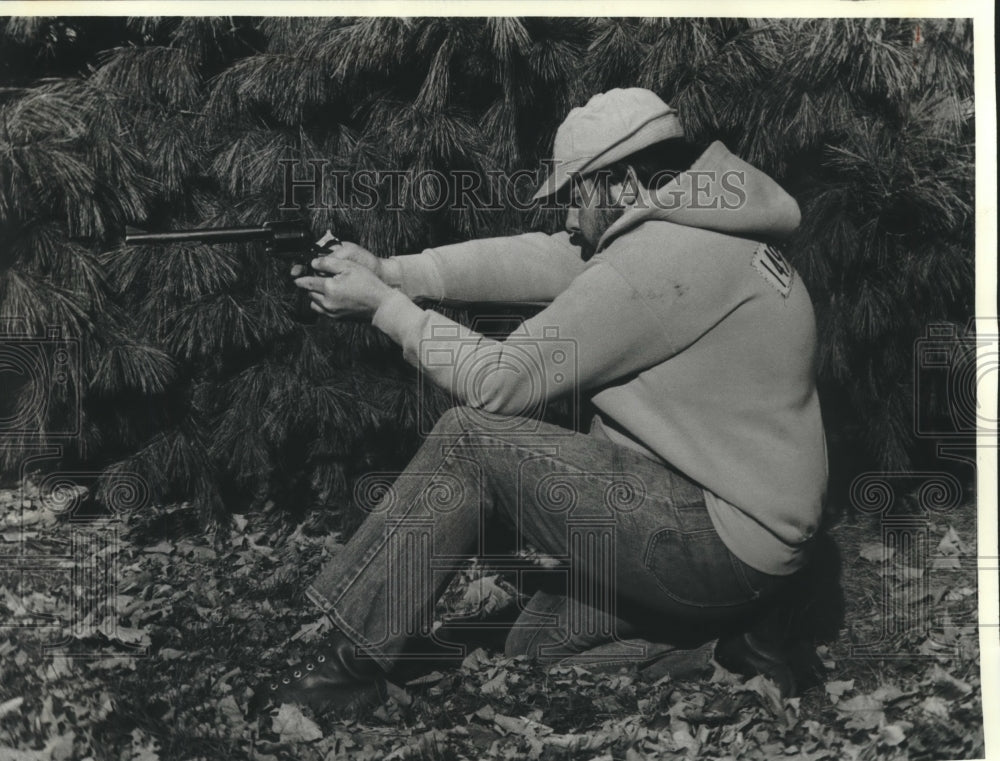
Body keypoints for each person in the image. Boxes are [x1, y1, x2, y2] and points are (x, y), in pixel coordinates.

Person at [259, 88, 828, 714]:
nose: (565, 219)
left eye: (572, 197)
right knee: (536, 648)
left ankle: (344, 672)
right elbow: (547, 258)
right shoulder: (703, 226)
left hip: (717, 542)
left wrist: (386, 311)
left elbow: (499, 381)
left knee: (469, 440)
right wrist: (394, 271)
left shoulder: (669, 260)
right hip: (742, 543)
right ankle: (737, 647)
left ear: (621, 184)